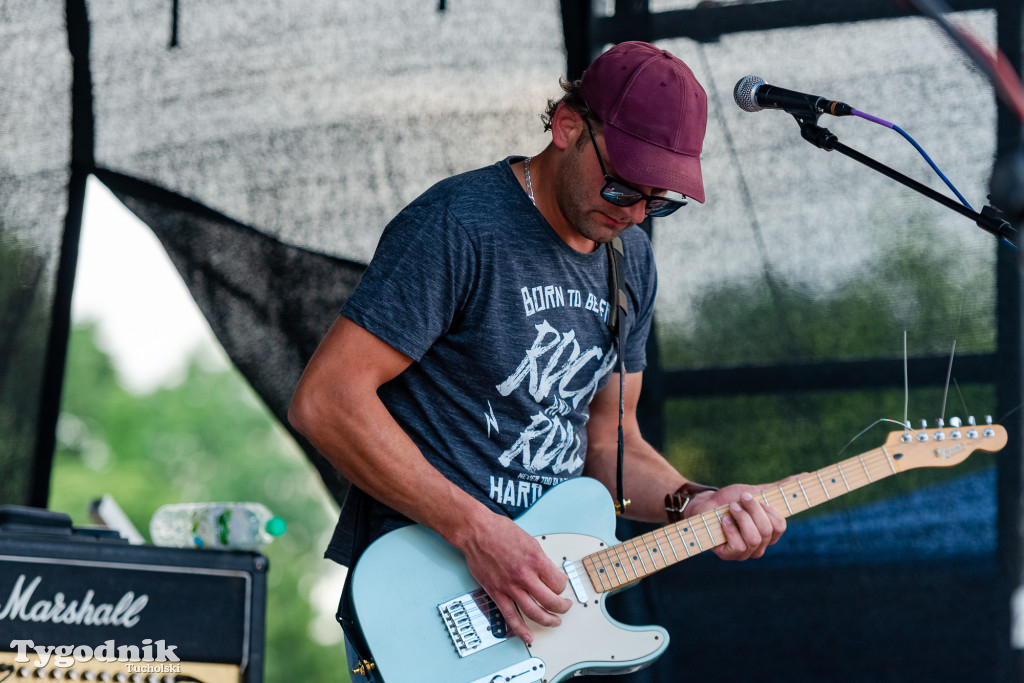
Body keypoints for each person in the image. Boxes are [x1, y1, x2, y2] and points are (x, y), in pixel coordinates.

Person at [288, 40, 788, 678]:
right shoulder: (460, 224)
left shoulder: (630, 261)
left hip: (545, 614)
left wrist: (693, 502)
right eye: (620, 185)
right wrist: (475, 530)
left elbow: (611, 447)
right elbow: (326, 401)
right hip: (431, 594)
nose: (634, 212)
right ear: (568, 127)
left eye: (658, 202)